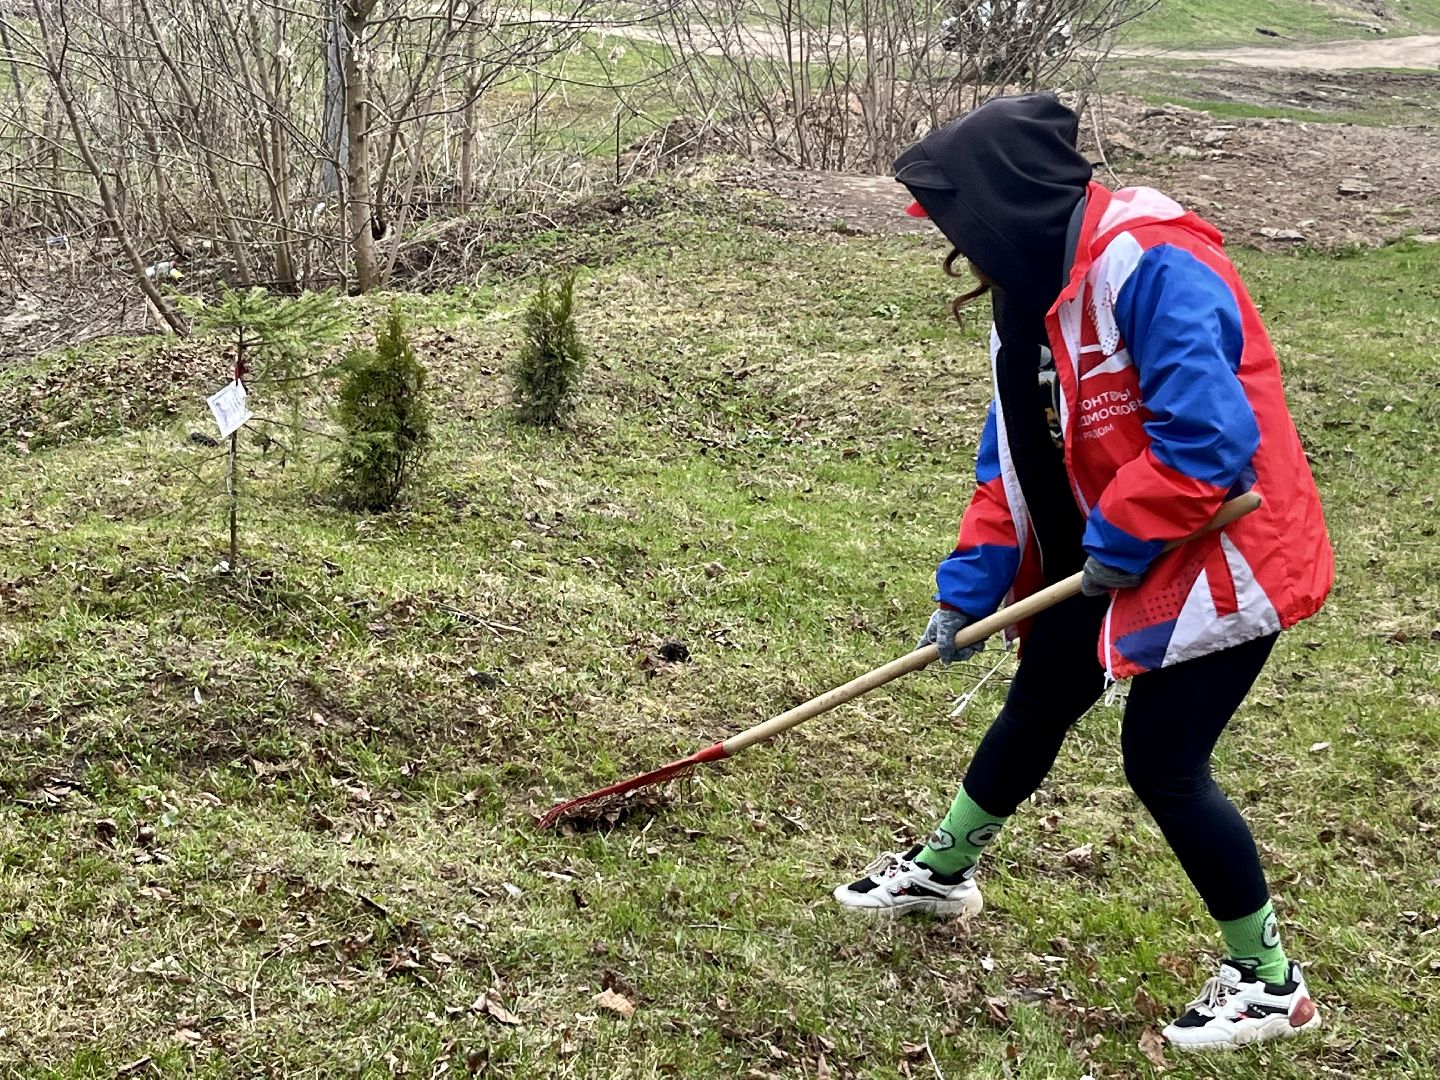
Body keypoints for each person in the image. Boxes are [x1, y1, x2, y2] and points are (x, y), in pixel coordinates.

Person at [831, 93, 1333, 1052]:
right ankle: (944, 874)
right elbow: (1012, 461)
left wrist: (1124, 531)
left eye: (957, 222)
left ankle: (1272, 985)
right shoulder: (1032, 297)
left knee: (1165, 763)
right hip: (1113, 550)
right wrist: (966, 591)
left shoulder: (1153, 262)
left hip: (1223, 549)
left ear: (1005, 203)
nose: (955, 247)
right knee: (1039, 698)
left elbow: (1209, 442)